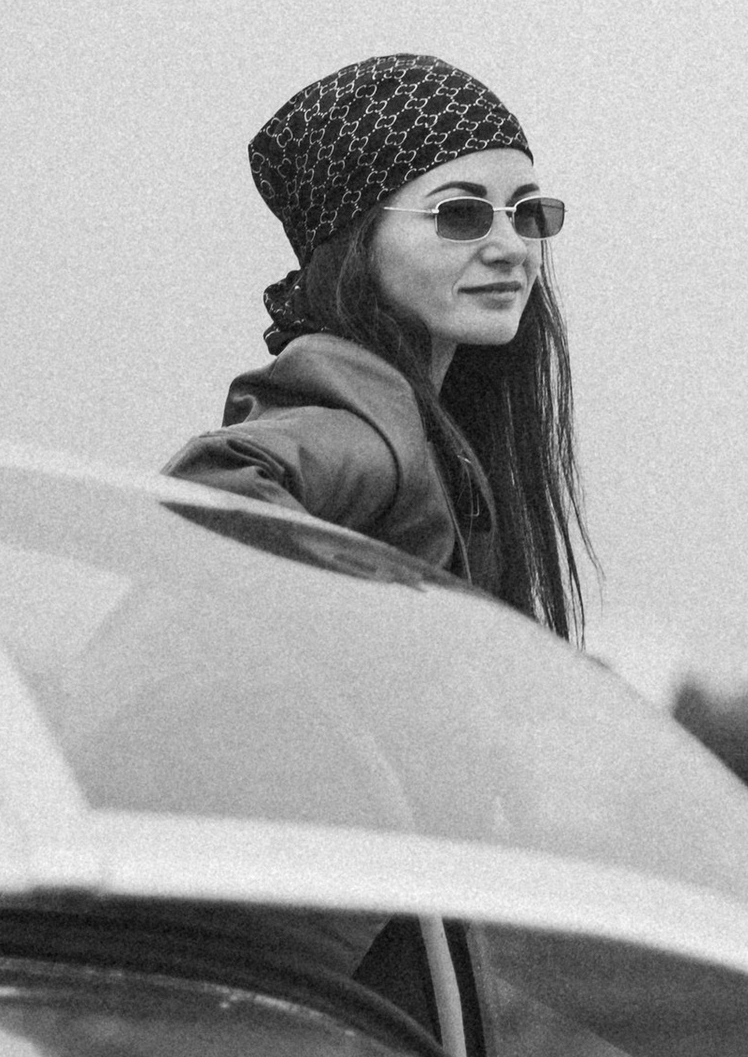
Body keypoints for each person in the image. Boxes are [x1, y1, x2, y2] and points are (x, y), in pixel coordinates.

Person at [168, 51, 591, 639]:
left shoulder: (428, 434)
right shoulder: (370, 432)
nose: (512, 247)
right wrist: (368, 636)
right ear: (357, 241)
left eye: (527, 214)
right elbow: (211, 482)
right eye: (461, 213)